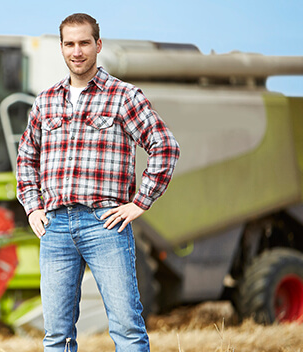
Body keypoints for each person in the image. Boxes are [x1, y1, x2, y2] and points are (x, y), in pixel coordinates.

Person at [16, 13, 180, 352]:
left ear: (98, 45)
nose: (77, 51)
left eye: (84, 43)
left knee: (127, 329)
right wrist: (32, 207)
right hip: (56, 227)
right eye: (70, 44)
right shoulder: (45, 102)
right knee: (56, 336)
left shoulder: (124, 96)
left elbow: (165, 147)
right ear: (62, 48)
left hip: (104, 224)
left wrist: (139, 203)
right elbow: (26, 158)